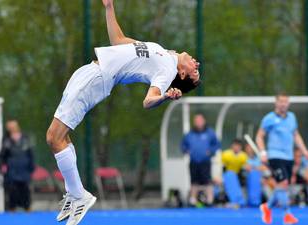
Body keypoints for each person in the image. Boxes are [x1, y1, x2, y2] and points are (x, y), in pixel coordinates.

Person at [46, 0, 201, 224]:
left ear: (183, 75)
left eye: (196, 71)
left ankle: (80, 195)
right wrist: (109, 7)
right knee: (60, 137)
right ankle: (74, 193)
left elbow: (148, 101)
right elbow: (118, 41)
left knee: (53, 137)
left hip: (97, 78)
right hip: (90, 72)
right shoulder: (162, 52)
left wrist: (165, 96)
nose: (196, 64)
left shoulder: (167, 70)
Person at [256, 93, 308, 224]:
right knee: (283, 183)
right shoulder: (269, 118)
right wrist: (263, 153)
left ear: (288, 103)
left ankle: (267, 207)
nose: (283, 104)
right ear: (276, 103)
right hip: (275, 156)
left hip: (289, 157)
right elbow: (259, 136)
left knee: (283, 186)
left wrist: (304, 151)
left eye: (285, 101)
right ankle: (287, 214)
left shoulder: (292, 117)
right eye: (280, 101)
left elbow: (296, 135)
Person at [181, 114, 221, 206]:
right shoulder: (190, 134)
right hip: (194, 161)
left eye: (200, 120)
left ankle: (210, 200)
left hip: (205, 161)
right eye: (196, 121)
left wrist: (210, 151)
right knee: (194, 181)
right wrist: (187, 151)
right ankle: (193, 200)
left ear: (204, 121)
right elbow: (183, 145)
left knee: (207, 181)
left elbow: (216, 144)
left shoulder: (210, 133)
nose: (198, 122)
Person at [0, 120, 35, 211]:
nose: (12, 128)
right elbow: (2, 156)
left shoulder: (25, 138)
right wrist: (2, 168)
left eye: (13, 126)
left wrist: (31, 167)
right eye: (10, 127)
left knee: (25, 190)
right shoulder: (6, 139)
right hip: (12, 171)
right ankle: (12, 210)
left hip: (24, 170)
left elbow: (30, 153)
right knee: (12, 191)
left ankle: (27, 209)